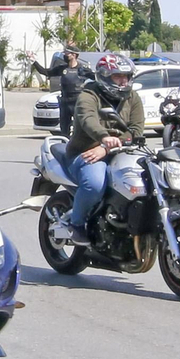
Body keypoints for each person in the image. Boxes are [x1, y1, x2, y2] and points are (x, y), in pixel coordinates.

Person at [63, 53, 144, 247]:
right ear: (105, 76)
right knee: (95, 184)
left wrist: (108, 147)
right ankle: (77, 224)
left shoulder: (132, 97)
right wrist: (103, 139)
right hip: (85, 152)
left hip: (119, 152)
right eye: (118, 76)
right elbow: (87, 119)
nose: (123, 81)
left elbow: (136, 130)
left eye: (126, 76)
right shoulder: (89, 95)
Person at [31, 46, 92, 137]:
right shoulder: (62, 68)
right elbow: (46, 72)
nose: (65, 55)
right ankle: (64, 146)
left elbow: (96, 78)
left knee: (80, 128)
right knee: (64, 129)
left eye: (67, 53)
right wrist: (34, 61)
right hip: (65, 102)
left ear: (74, 55)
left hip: (77, 101)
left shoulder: (82, 69)